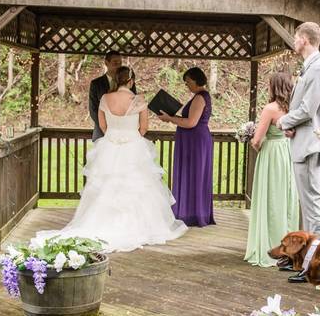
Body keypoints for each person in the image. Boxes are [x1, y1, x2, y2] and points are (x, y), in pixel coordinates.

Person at [38, 66, 187, 251]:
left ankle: (99, 224)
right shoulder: (138, 100)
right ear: (131, 81)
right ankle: (139, 227)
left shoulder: (105, 98)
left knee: (105, 186)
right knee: (137, 186)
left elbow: (102, 124)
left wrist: (114, 136)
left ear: (116, 79)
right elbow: (144, 128)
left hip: (109, 145)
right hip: (134, 146)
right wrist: (131, 136)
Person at [277, 22, 320, 283]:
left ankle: (314, 264)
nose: (294, 41)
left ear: (306, 40)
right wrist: (292, 127)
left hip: (310, 146)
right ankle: (303, 260)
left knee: (312, 207)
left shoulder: (319, 68)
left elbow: (309, 110)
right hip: (302, 141)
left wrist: (284, 121)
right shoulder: (310, 66)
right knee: (306, 206)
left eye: (296, 37)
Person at [244, 72, 299, 267]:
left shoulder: (270, 109)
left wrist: (253, 142)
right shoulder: (294, 108)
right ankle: (290, 249)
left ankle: (269, 245)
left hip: (272, 154)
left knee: (271, 199)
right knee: (285, 199)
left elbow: (257, 139)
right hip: (288, 153)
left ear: (273, 87)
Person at [158, 67, 215, 227]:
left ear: (197, 80)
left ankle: (193, 213)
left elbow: (191, 122)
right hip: (193, 140)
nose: (187, 85)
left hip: (195, 141)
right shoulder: (200, 96)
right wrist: (172, 117)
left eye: (188, 82)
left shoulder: (200, 97)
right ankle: (192, 211)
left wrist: (170, 118)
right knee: (192, 173)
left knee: (194, 174)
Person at [89, 52, 123, 142]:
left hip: (122, 133)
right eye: (115, 63)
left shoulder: (127, 83)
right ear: (106, 63)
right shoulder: (96, 84)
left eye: (120, 63)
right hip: (101, 134)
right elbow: (93, 110)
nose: (118, 66)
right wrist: (106, 128)